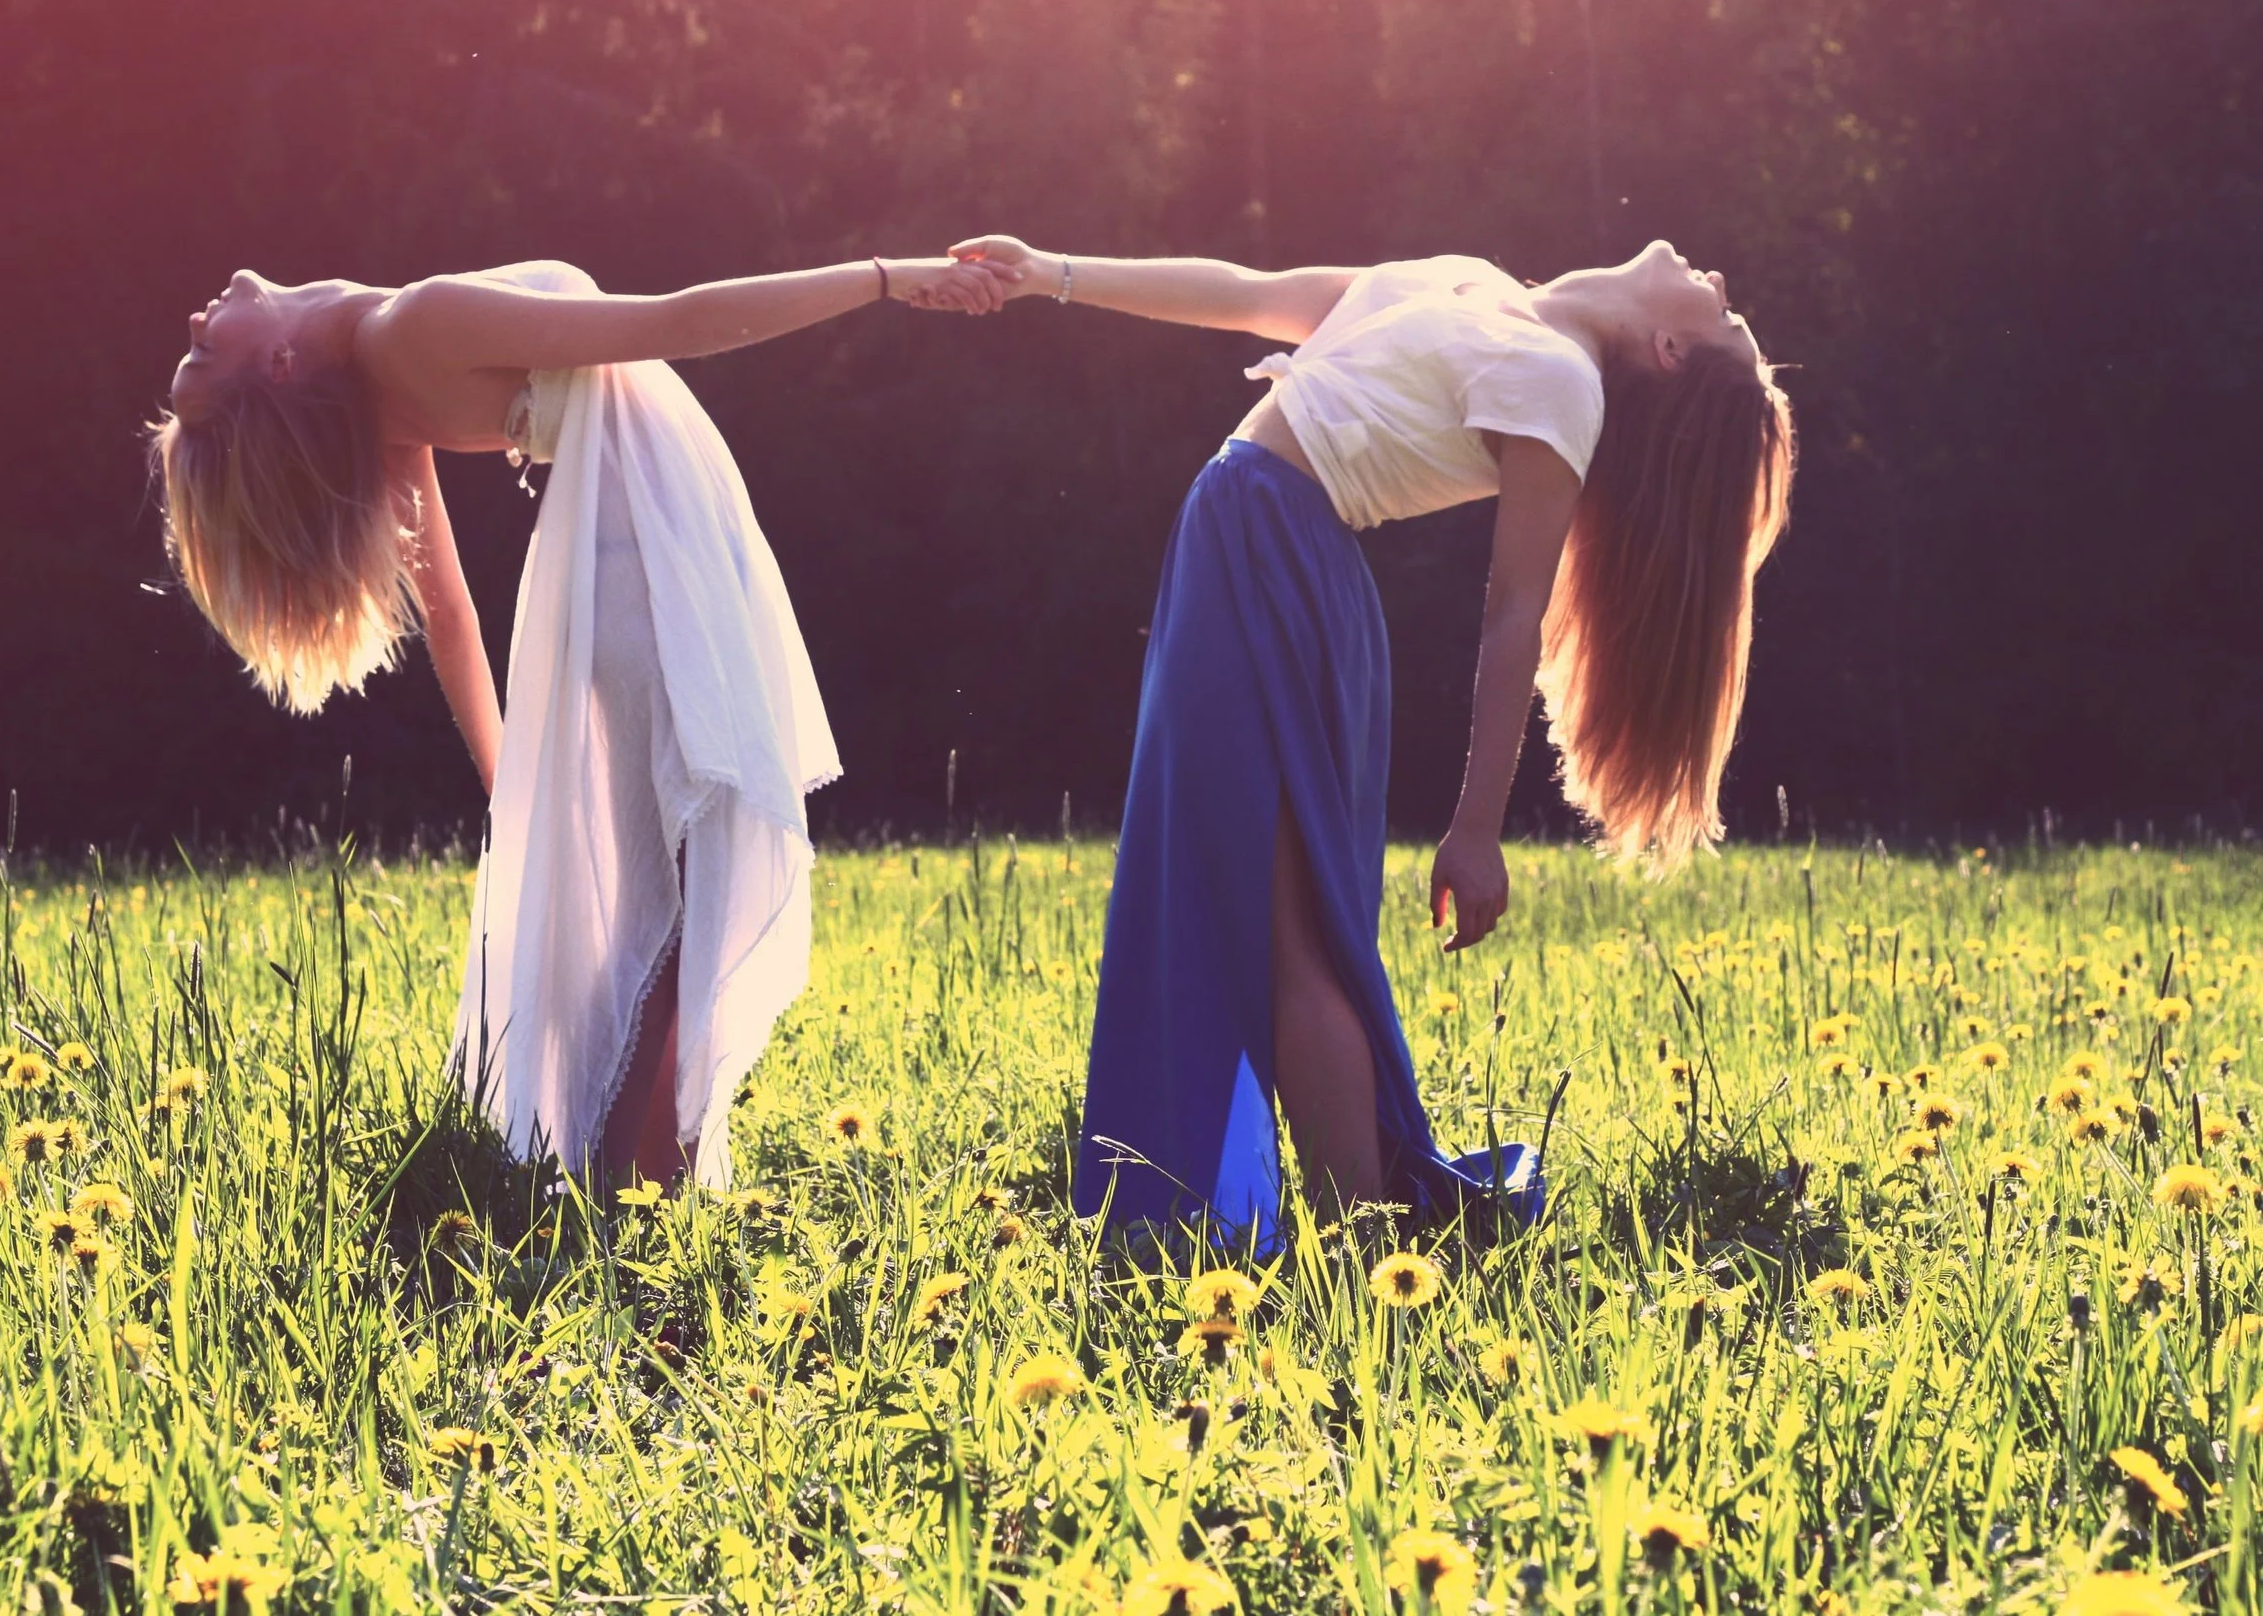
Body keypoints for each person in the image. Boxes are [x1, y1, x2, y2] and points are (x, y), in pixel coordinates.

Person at [950, 234, 1795, 1243]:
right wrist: (1048, 274)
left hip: (1275, 554)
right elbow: (1251, 289)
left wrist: (1475, 828)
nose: (1719, 280)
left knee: (1288, 935)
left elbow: (1513, 614)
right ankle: (1358, 1234)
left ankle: (1363, 1246)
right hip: (1253, 541)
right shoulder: (1484, 287)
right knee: (1273, 919)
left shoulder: (1560, 384)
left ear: (1669, 349)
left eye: (1724, 316)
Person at [148, 252, 1008, 1188]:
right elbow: (682, 317)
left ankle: (630, 1186)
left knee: (665, 915)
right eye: (204, 356)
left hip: (645, 571)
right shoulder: (414, 327)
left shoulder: (380, 374)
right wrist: (884, 277)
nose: (193, 326)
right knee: (675, 917)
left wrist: (513, 792)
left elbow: (451, 617)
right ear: (279, 365)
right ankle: (625, 1194)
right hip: (653, 583)